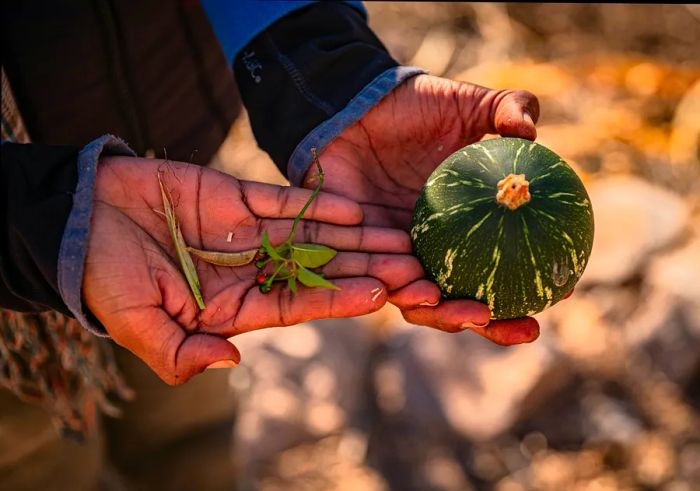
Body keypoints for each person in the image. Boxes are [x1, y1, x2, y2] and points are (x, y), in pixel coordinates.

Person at [1, 1, 542, 488]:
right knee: (45, 461)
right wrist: (33, 217)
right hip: (21, 307)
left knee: (191, 434)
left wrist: (318, 67)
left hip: (171, 180)